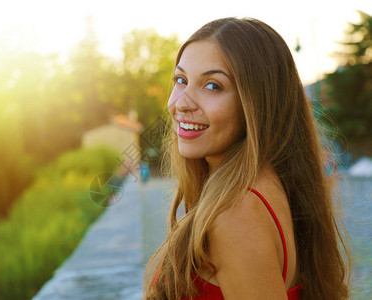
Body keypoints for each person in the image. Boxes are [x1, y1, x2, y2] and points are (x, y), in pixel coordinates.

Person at [143, 17, 350, 300]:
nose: (181, 103)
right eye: (181, 80)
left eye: (213, 86)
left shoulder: (234, 214)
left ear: (256, 103)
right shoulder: (265, 184)